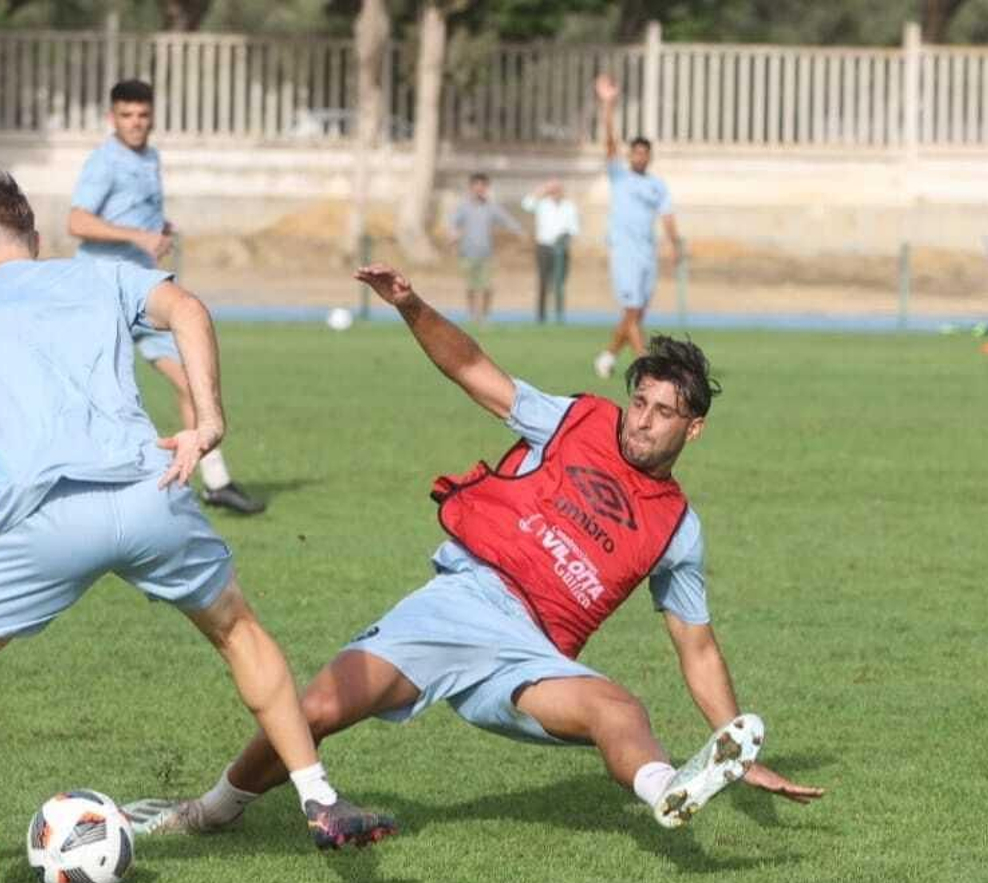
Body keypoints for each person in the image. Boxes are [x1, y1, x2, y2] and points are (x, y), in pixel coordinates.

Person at [0, 175, 396, 883]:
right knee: (237, 629)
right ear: (33, 241)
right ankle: (320, 798)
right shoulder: (97, 274)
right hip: (150, 494)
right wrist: (209, 420)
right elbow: (188, 308)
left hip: (48, 522)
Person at [132, 265, 824, 839]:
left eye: (663, 412)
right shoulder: (574, 418)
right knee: (315, 708)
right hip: (460, 603)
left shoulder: (678, 527)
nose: (642, 420)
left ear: (693, 429)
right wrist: (412, 307)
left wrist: (736, 743)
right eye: (639, 402)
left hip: (531, 655)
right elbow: (472, 369)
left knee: (620, 710)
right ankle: (211, 812)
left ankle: (670, 787)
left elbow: (696, 647)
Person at [68, 78, 265, 516]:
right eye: (126, 116)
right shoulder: (105, 162)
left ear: (152, 115)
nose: (136, 123)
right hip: (102, 296)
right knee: (78, 394)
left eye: (142, 115)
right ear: (111, 118)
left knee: (191, 381)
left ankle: (216, 481)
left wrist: (160, 229)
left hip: (146, 297)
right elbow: (77, 221)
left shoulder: (151, 157)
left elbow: (138, 213)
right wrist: (138, 236)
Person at [592, 74, 684, 381]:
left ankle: (607, 357)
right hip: (624, 251)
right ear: (631, 155)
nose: (640, 157)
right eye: (636, 152)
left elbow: (667, 216)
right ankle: (646, 365)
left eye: (645, 153)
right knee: (631, 309)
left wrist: (675, 245)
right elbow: (608, 142)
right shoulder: (620, 176)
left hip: (647, 253)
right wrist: (607, 106)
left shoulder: (657, 185)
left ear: (649, 157)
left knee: (637, 312)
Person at [448, 173, 524, 327]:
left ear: (486, 188)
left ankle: (485, 316)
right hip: (467, 253)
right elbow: (452, 223)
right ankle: (471, 315)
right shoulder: (464, 207)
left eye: (483, 186)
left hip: (486, 254)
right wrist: (453, 235)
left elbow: (507, 220)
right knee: (470, 286)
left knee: (487, 286)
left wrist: (520, 231)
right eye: (476, 186)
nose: (479, 189)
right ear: (471, 188)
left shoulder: (491, 207)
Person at [521, 180, 581, 324]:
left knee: (559, 283)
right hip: (544, 247)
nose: (555, 193)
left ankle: (559, 315)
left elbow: (574, 228)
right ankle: (541, 316)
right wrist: (541, 190)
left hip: (561, 248)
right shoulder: (543, 204)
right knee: (543, 282)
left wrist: (564, 237)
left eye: (557, 190)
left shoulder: (569, 206)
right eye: (552, 190)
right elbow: (526, 204)